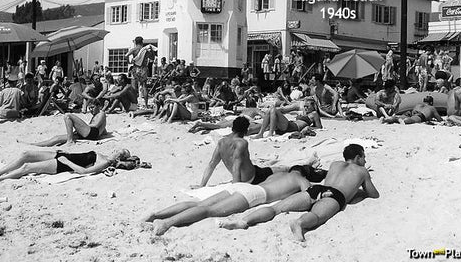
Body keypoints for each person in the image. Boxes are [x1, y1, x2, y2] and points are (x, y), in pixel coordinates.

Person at [220, 145, 378, 236]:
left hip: (317, 188)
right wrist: (358, 189)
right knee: (316, 216)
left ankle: (243, 221)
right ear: (358, 157)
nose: (365, 161)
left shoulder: (335, 164)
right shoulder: (362, 171)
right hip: (335, 195)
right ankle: (299, 224)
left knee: (276, 208)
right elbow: (373, 194)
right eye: (364, 157)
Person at [144, 165, 325, 236]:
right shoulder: (299, 179)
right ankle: (167, 223)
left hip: (240, 186)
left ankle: (156, 214)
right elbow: (308, 194)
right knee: (209, 212)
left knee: (200, 204)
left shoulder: (279, 173)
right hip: (255, 194)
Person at [195, 117, 280, 187]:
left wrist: (202, 185)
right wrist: (236, 188)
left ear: (232, 128)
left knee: (266, 167)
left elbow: (212, 164)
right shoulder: (241, 143)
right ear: (246, 131)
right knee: (282, 169)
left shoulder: (222, 142)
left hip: (245, 176)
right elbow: (236, 167)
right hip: (252, 178)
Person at [0, 148, 131, 182]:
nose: (116, 151)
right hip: (64, 155)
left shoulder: (104, 162)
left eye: (119, 152)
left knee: (27, 167)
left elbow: (84, 171)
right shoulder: (104, 156)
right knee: (26, 155)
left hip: (63, 164)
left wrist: (66, 162)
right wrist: (65, 154)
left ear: (119, 158)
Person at [22, 102, 107, 146]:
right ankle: (34, 145)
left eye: (93, 107)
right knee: (57, 138)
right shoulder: (96, 115)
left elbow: (96, 125)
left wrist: (80, 126)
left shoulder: (101, 113)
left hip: (91, 133)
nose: (91, 110)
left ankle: (70, 141)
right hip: (89, 133)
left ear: (98, 106)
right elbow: (103, 129)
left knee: (67, 115)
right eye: (90, 108)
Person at [252, 100, 322, 139]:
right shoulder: (304, 113)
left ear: (313, 106)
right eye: (305, 106)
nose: (305, 108)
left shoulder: (314, 113)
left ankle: (270, 133)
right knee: (270, 110)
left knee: (273, 109)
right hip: (288, 126)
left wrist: (309, 127)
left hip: (293, 127)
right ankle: (260, 133)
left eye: (307, 106)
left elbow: (319, 127)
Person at [125, 36, 156, 107]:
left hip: (135, 68)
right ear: (142, 42)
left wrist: (129, 62)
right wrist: (152, 51)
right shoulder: (145, 50)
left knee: (134, 87)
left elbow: (125, 55)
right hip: (144, 69)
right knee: (144, 86)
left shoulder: (134, 49)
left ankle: (135, 104)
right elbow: (152, 58)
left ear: (135, 42)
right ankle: (146, 104)